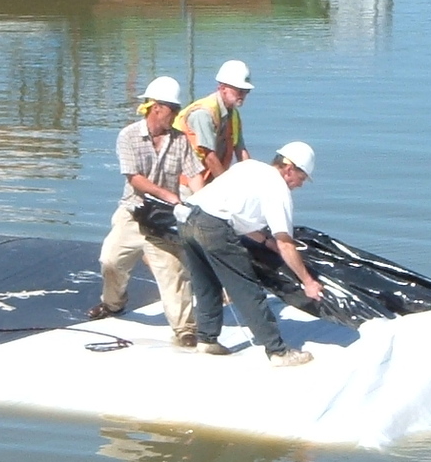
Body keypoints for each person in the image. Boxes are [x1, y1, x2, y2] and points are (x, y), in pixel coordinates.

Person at [179, 142, 322, 368]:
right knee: (247, 289)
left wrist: (266, 241)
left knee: (205, 283)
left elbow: (238, 215)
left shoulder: (249, 167)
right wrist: (308, 281)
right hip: (214, 228)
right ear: (289, 169)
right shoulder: (278, 189)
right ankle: (278, 351)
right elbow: (286, 244)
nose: (300, 185)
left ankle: (207, 339)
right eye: (301, 178)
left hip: (189, 219)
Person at [90, 76, 199, 346]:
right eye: (172, 110)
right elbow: (134, 178)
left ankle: (185, 329)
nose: (174, 117)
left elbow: (194, 175)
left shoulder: (180, 141)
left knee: (173, 272)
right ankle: (113, 304)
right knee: (111, 261)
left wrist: (204, 200)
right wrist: (167, 194)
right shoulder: (128, 136)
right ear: (156, 108)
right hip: (134, 210)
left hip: (163, 219)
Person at [175, 59, 253, 189]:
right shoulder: (203, 114)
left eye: (246, 91)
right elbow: (209, 157)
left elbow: (241, 151)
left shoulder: (233, 115)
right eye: (239, 90)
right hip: (184, 184)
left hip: (209, 181)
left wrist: (253, 180)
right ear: (222, 88)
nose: (243, 95)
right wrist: (225, 188)